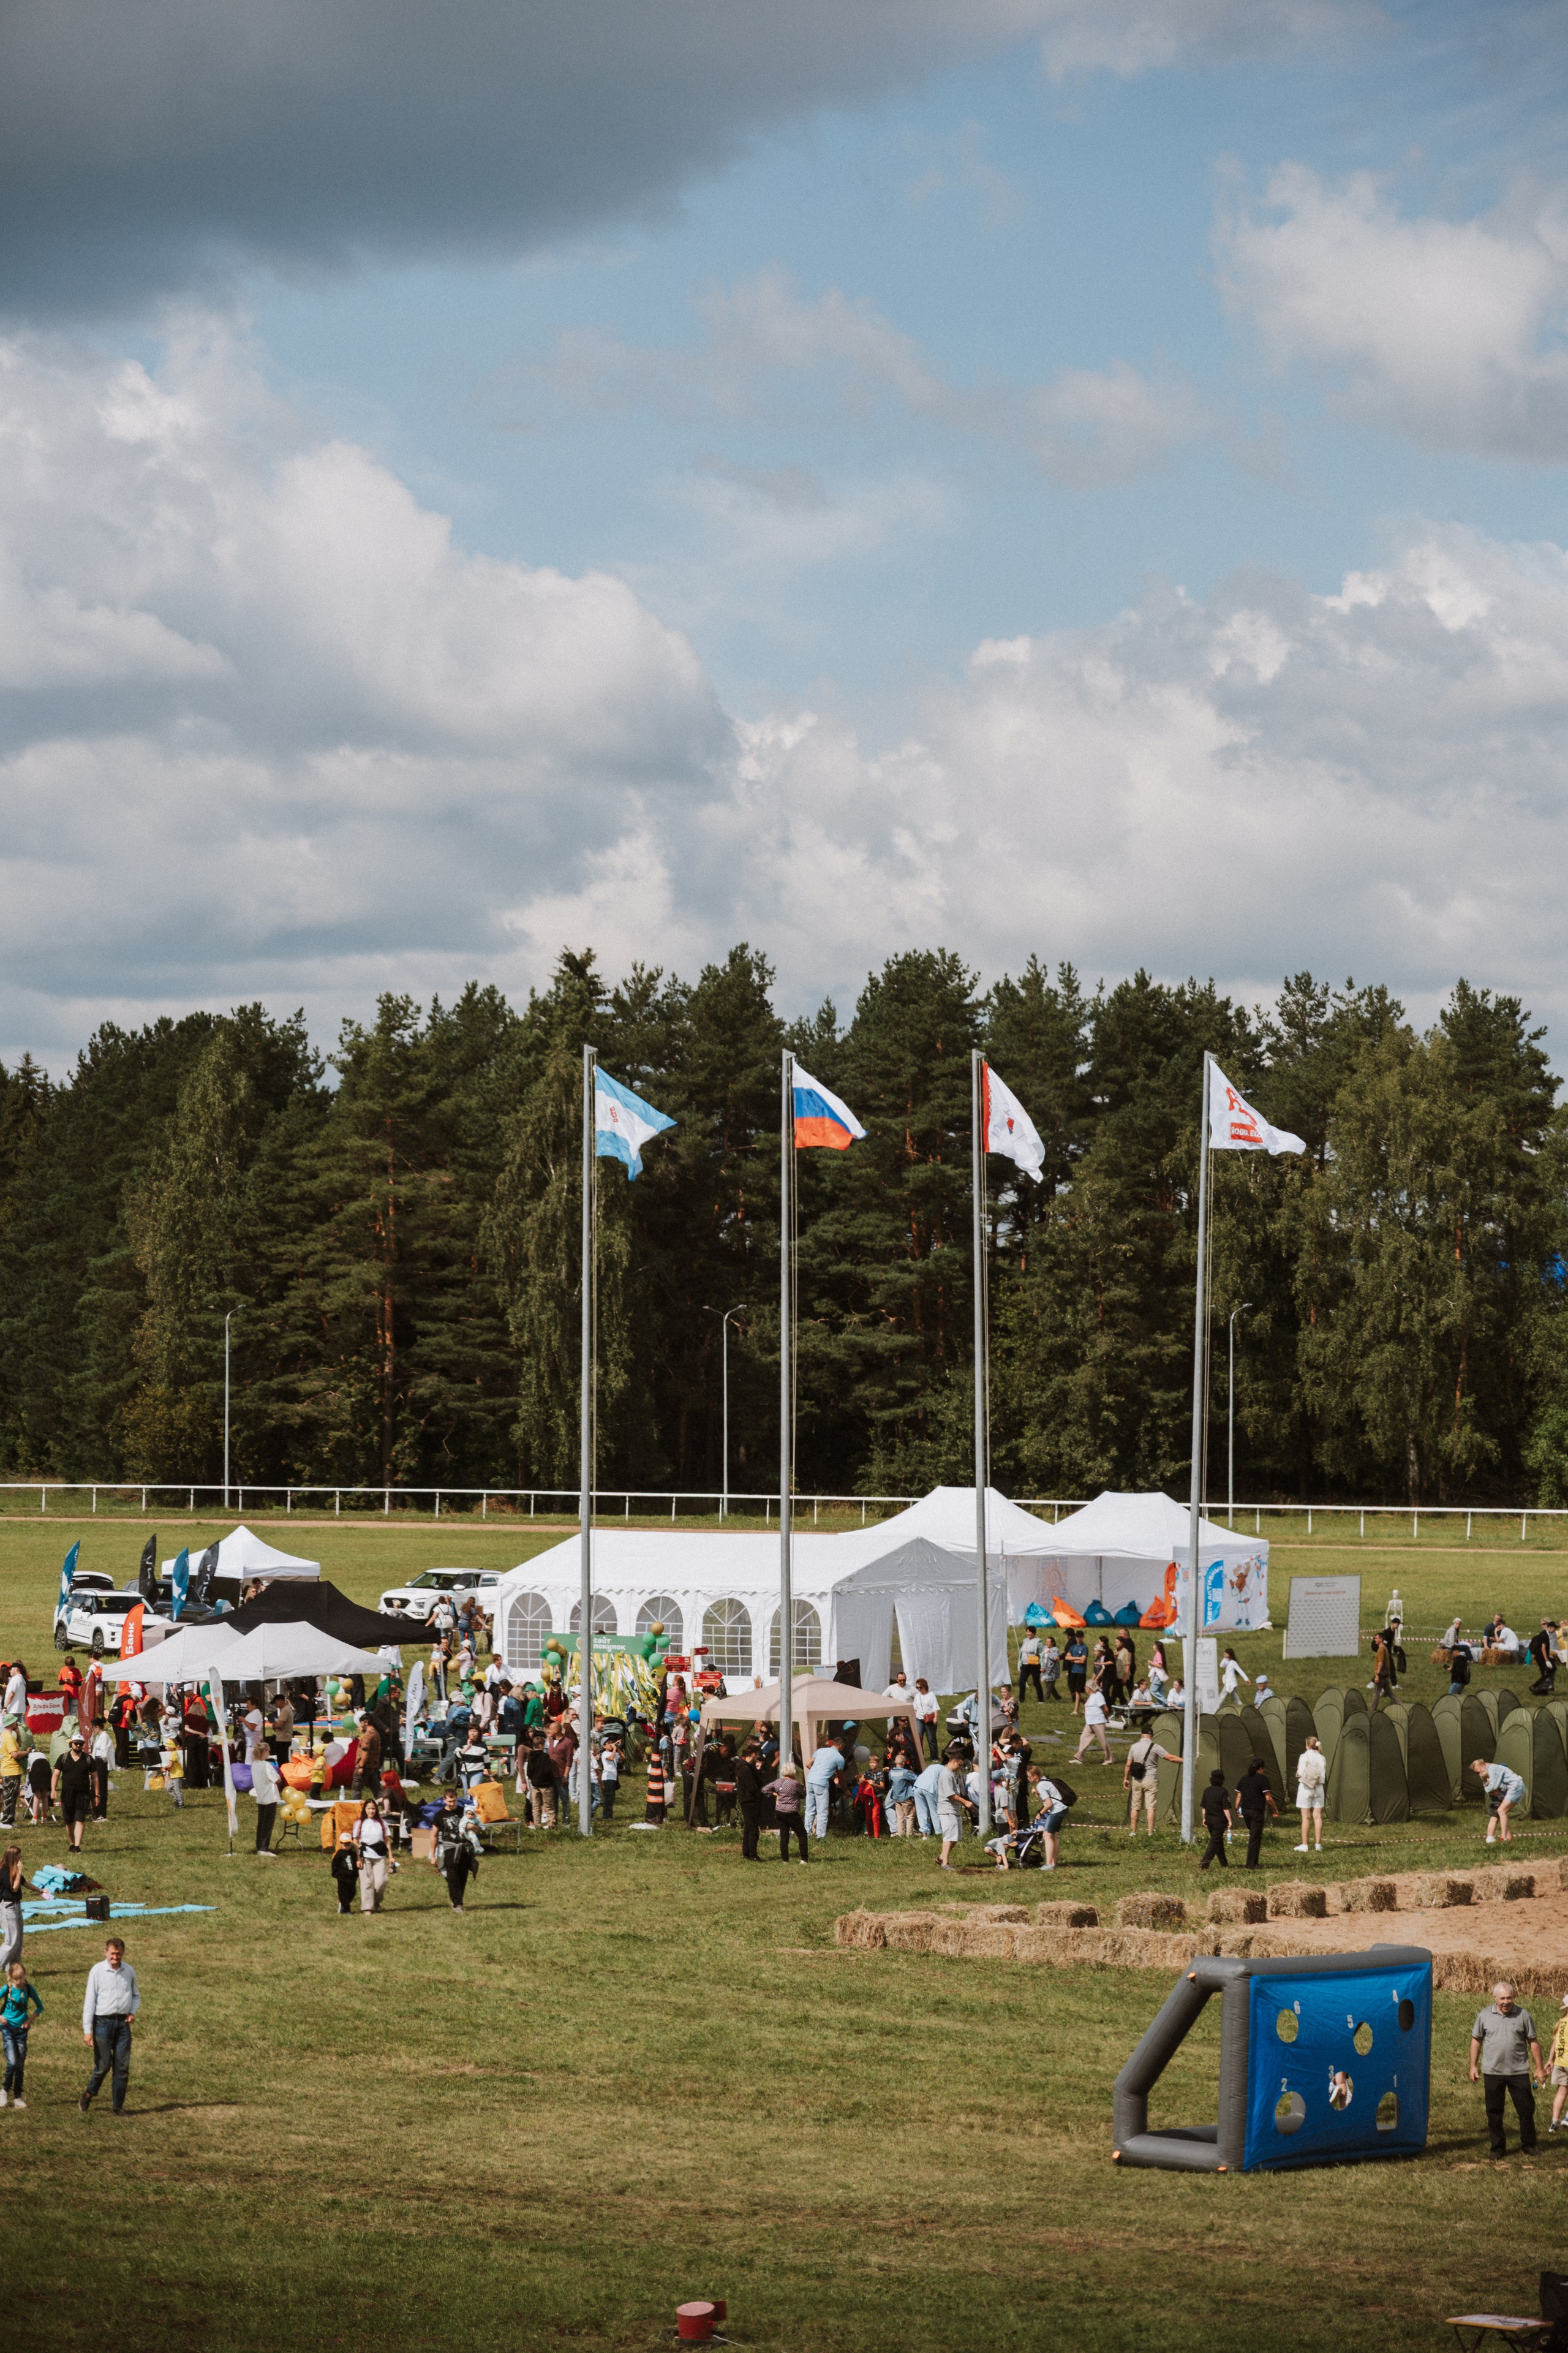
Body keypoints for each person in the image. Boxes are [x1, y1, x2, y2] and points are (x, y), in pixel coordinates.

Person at [1469, 1983, 1544, 2156]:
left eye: (1509, 1998)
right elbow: (1476, 2041)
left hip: (1518, 2071)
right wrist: (1473, 2066)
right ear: (1494, 1997)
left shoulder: (1523, 2015)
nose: (1506, 2002)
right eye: (1502, 1998)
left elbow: (1533, 2042)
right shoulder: (1485, 2016)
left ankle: (1529, 2145)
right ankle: (1498, 2147)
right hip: (1493, 2072)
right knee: (1494, 2112)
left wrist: (1540, 2068)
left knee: (1526, 2110)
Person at [80, 1935, 140, 2115]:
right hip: (102, 2024)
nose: (116, 1957)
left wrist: (132, 2012)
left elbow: (136, 1995)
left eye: (119, 1954)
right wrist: (87, 2031)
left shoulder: (129, 1971)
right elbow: (90, 2001)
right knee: (103, 2066)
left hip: (122, 2025)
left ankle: (118, 2107)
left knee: (122, 2067)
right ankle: (90, 2092)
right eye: (113, 1953)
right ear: (106, 1952)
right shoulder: (97, 1971)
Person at [1, 1957, 42, 2109]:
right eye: (16, 1979)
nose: (19, 1981)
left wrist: (29, 2021)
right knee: (12, 2061)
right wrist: (1, 2017)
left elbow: (40, 2006)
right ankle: (4, 2090)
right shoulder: (7, 1989)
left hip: (22, 2030)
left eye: (22, 1978)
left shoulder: (29, 1989)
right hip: (8, 2028)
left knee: (20, 2065)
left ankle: (18, 2096)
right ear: (11, 1978)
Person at [431, 1790, 480, 1911]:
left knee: (462, 1876)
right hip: (450, 1848)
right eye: (449, 1801)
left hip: (465, 1847)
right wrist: (433, 1855)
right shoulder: (439, 1815)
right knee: (452, 1876)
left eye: (454, 1801)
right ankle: (458, 1904)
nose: (452, 1803)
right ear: (444, 1800)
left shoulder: (463, 1811)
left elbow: (476, 1823)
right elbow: (434, 1835)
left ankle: (457, 1901)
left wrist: (473, 1827)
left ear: (457, 1799)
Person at [1123, 1725, 1174, 1837]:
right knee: (1151, 1807)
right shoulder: (1155, 1747)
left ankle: (1133, 1832)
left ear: (1142, 1735)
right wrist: (1185, 1760)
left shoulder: (1134, 1747)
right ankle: (1150, 1832)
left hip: (1137, 1780)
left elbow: (1128, 1764)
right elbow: (1170, 1758)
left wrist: (1126, 1778)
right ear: (1152, 1736)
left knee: (1135, 1807)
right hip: (1151, 1780)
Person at [53, 1732, 94, 1853]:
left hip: (83, 1793)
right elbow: (56, 1775)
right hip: (67, 1793)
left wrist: (97, 1794)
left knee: (80, 1819)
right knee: (69, 1821)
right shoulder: (63, 1758)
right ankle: (72, 1844)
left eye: (81, 1744)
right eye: (76, 1744)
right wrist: (53, 1790)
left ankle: (77, 1846)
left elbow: (95, 1778)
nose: (78, 1746)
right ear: (71, 1744)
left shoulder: (88, 1759)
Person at [0, 1846, 39, 1973]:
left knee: (18, 1941)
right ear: (12, 1858)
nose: (20, 1861)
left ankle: (14, 1969)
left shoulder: (13, 1870)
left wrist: (40, 1890)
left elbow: (24, 1882)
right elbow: (14, 1888)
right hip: (7, 1907)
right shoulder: (3, 1872)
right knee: (11, 1940)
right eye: (18, 1858)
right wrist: (20, 1870)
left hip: (17, 1906)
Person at [1235, 1758, 1277, 1868]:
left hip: (1246, 1810)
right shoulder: (1263, 1780)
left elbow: (1239, 1796)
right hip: (1257, 1811)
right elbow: (1268, 1798)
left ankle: (1255, 1862)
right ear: (1261, 1768)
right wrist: (1275, 1809)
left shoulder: (1244, 1779)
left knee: (1254, 1836)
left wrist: (1236, 1808)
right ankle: (1251, 1864)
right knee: (1255, 1838)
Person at [1474, 1756, 1526, 1844]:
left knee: (1501, 1811)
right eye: (1477, 1773)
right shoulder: (1489, 1771)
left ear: (1482, 1765)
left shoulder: (1493, 1769)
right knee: (1502, 1812)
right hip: (1514, 1788)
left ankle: (1503, 1837)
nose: (1479, 1774)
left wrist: (1486, 1787)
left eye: (1478, 1771)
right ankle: (1508, 1837)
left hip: (1516, 1787)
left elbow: (1494, 1786)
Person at [763, 1759, 807, 1862]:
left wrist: (776, 1794)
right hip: (792, 1812)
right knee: (802, 1834)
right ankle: (804, 1859)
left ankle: (785, 1859)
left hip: (780, 1812)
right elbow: (803, 1795)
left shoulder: (777, 1782)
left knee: (784, 1836)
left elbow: (765, 1790)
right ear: (793, 1772)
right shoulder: (795, 1784)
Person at [936, 1747, 971, 1869]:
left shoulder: (952, 1774)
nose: (960, 1768)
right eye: (960, 1765)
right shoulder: (946, 1775)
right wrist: (965, 1802)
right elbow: (950, 1794)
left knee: (955, 1838)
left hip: (954, 1810)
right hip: (947, 1810)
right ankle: (945, 1863)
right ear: (954, 1761)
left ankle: (941, 1857)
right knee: (949, 1837)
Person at [354, 1796, 390, 1911]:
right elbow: (355, 1840)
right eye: (369, 1809)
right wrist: (358, 1858)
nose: (371, 1811)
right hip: (365, 1856)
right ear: (365, 1809)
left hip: (379, 1856)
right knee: (367, 1883)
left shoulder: (382, 1823)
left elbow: (387, 1840)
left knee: (382, 1881)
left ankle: (376, 1902)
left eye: (373, 1809)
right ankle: (367, 1908)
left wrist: (391, 1856)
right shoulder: (360, 1823)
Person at [805, 1739, 843, 1842]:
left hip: (811, 1780)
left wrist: (817, 1772)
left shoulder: (820, 1751)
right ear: (841, 1746)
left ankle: (806, 1833)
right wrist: (845, 1789)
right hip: (821, 1783)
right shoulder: (839, 1758)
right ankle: (820, 1836)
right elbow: (841, 1776)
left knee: (810, 1809)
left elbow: (808, 1764)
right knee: (822, 1811)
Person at [1294, 1734, 1327, 1853]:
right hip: (1319, 1787)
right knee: (1318, 1817)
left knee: (1306, 1817)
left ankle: (1305, 1844)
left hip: (1306, 1787)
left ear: (1307, 1745)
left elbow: (1301, 1772)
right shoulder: (1322, 1758)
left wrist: (1298, 1770)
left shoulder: (1304, 1756)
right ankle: (1318, 1845)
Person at [1197, 1767, 1232, 1870]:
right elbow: (1226, 1809)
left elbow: (1204, 1807)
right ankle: (1205, 1863)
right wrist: (1229, 1821)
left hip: (1209, 1819)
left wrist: (1204, 1818)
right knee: (1214, 1842)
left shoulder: (1207, 1791)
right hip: (1219, 1820)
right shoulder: (1223, 1792)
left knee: (1218, 1842)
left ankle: (1224, 1864)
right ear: (1222, 1779)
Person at [735, 1742, 764, 1860]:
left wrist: (758, 1770)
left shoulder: (747, 1768)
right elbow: (753, 1786)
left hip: (748, 1800)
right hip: (749, 1801)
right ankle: (753, 1854)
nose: (758, 1757)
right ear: (753, 1754)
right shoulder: (745, 1769)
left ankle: (747, 1852)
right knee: (753, 1829)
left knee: (749, 1827)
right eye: (757, 1755)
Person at [250, 1745, 281, 1855]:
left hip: (261, 1796)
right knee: (268, 1823)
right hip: (270, 1797)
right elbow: (277, 1779)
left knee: (261, 1822)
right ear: (265, 1752)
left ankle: (260, 1846)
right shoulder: (266, 1765)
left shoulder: (254, 1765)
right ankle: (263, 1848)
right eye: (268, 1752)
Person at [1074, 1686, 1112, 1764]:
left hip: (1098, 1722)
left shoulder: (1098, 1696)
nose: (1085, 1688)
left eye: (1086, 1687)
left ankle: (1109, 1759)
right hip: (1090, 1722)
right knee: (1084, 1737)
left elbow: (1105, 1708)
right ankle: (1079, 1758)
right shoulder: (1091, 1696)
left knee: (1102, 1741)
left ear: (1090, 1688)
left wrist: (1107, 1718)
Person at [1547, 1995, 1568, 2136]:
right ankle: (1567, 2118)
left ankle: (1554, 2123)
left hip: (1560, 2061)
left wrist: (1550, 2060)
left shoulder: (1561, 2022)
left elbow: (1555, 2043)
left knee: (1562, 2091)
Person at [0, 1714, 24, 1829]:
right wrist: (26, 1753)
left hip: (9, 1769)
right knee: (10, 1797)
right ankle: (5, 1821)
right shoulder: (9, 1737)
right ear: (11, 1723)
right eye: (15, 1722)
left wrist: (18, 1732)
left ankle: (10, 1820)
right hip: (11, 1770)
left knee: (12, 1797)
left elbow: (19, 1744)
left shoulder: (6, 1735)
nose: (17, 1723)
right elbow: (15, 1754)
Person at [330, 1833, 361, 1916]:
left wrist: (356, 1874)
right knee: (343, 1894)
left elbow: (355, 1864)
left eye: (348, 1844)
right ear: (340, 1843)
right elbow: (335, 1865)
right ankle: (347, 1909)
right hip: (342, 1878)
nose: (347, 1846)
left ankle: (343, 1905)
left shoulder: (353, 1853)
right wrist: (337, 1874)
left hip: (352, 1877)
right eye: (345, 1845)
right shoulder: (339, 1854)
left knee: (352, 1893)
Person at [911, 1679, 940, 1761]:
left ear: (925, 1687)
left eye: (920, 1687)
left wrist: (936, 1717)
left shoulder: (931, 1695)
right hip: (919, 1718)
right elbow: (915, 1708)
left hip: (929, 1720)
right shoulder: (917, 1696)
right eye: (917, 1688)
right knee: (919, 1738)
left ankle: (934, 1757)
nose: (919, 1689)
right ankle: (919, 1757)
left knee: (931, 1739)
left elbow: (935, 1707)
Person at [1064, 1632, 1088, 1712]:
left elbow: (1082, 1661)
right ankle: (1085, 1701)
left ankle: (1076, 1710)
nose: (1079, 1639)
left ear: (1083, 1637)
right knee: (1073, 1692)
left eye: (1080, 1637)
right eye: (1077, 1637)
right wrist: (1077, 1659)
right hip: (1073, 1671)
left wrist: (1073, 1659)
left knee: (1078, 1691)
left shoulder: (1085, 1648)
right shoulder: (1073, 1647)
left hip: (1081, 1672)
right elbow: (1067, 1657)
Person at [1017, 1630, 1044, 1704]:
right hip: (1025, 1664)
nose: (1028, 1634)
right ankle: (1021, 1699)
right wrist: (1020, 1663)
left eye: (1030, 1632)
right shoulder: (1025, 1641)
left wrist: (1043, 1665)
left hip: (1034, 1665)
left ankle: (1041, 1699)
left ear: (1034, 1633)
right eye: (1027, 1632)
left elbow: (1042, 1654)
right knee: (1022, 1681)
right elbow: (1022, 1653)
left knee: (1036, 1682)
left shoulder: (1038, 1642)